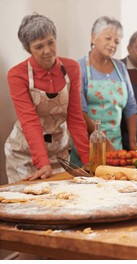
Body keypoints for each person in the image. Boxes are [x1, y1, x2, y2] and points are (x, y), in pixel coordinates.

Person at [5, 13, 89, 184]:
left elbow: (75, 117)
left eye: (51, 42)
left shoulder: (72, 68)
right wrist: (42, 163)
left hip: (59, 152)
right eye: (39, 46)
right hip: (24, 152)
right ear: (29, 49)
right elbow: (29, 121)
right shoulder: (17, 75)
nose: (47, 51)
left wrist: (88, 159)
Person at [70, 16, 137, 165]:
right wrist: (103, 140)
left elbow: (131, 107)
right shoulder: (79, 67)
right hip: (88, 145)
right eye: (108, 38)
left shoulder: (120, 68)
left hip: (116, 146)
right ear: (93, 37)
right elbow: (79, 111)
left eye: (116, 41)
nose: (112, 44)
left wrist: (133, 141)